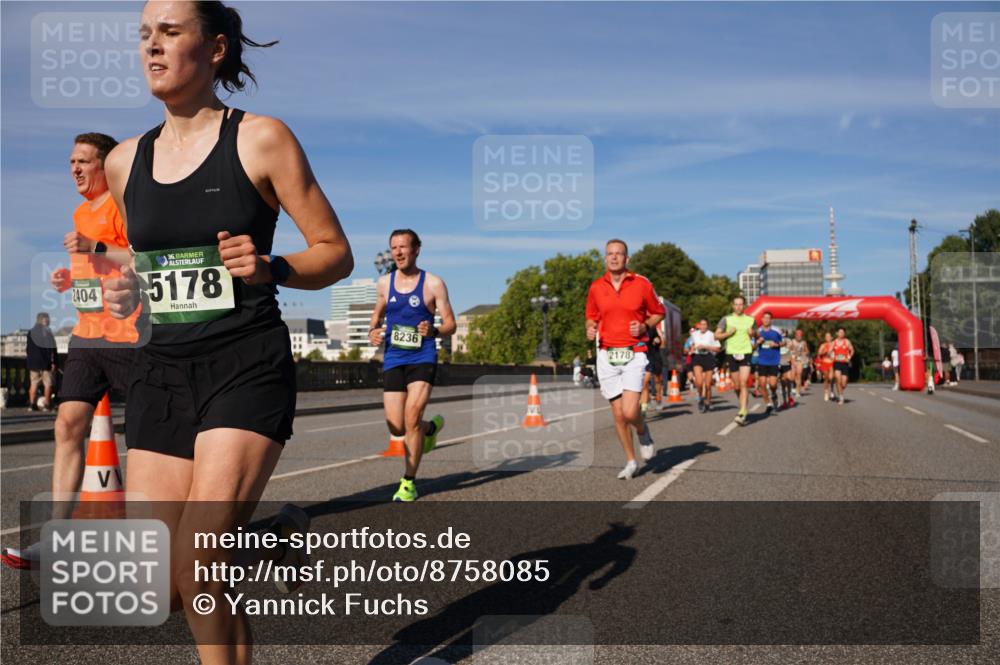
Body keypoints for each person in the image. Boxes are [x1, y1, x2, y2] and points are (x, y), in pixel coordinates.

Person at [101, 3, 354, 662]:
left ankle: (231, 544)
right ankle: (267, 538)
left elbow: (334, 251)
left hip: (244, 364)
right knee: (160, 581)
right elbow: (149, 260)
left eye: (170, 33)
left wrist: (273, 267)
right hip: (161, 371)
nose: (152, 47)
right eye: (144, 35)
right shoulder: (125, 162)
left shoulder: (261, 139)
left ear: (214, 50)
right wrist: (129, 286)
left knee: (200, 570)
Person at [1, 134, 142, 571]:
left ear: (107, 165)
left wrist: (94, 249)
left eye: (84, 161)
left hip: (132, 338)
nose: (75, 169)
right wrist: (72, 275)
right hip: (86, 337)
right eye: (71, 162)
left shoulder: (124, 204)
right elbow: (94, 270)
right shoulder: (81, 211)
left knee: (144, 441)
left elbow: (142, 258)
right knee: (68, 424)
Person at [368, 229, 455, 502]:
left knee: (411, 417)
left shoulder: (433, 283)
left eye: (403, 247)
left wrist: (435, 331)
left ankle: (408, 482)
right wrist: (373, 330)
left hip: (422, 357)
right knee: (397, 426)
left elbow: (450, 324)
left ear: (416, 249)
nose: (398, 252)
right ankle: (430, 429)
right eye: (394, 247)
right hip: (394, 356)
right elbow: (376, 316)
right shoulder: (384, 283)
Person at [585, 239, 665, 479]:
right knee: (618, 414)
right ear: (605, 258)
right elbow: (591, 316)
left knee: (630, 412)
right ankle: (631, 461)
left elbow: (658, 312)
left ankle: (642, 430)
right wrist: (590, 328)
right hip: (606, 354)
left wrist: (644, 326)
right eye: (610, 254)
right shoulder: (596, 287)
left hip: (634, 351)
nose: (614, 257)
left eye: (618, 254)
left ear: (626, 259)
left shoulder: (641, 283)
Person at [716, 295, 756, 425]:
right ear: (732, 306)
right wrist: (728, 333)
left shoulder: (751, 320)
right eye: (736, 304)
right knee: (737, 385)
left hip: (746, 352)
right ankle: (742, 406)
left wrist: (753, 334)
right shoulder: (726, 319)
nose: (738, 307)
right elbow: (717, 335)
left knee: (744, 383)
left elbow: (757, 335)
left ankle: (743, 411)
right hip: (731, 353)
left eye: (741, 304)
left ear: (744, 306)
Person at [25, 313, 57, 411]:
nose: (49, 321)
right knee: (48, 384)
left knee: (34, 383)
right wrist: (53, 362)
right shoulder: (47, 332)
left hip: (33, 363)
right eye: (47, 320)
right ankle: (47, 404)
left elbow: (28, 349)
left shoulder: (31, 332)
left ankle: (31, 404)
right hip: (45, 363)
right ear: (43, 320)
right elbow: (51, 349)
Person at [688, 318, 720, 413]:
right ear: (699, 325)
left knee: (708, 384)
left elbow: (718, 349)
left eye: (705, 324)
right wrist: (692, 349)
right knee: (699, 382)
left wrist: (706, 347)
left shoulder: (711, 334)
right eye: (701, 324)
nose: (703, 326)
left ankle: (708, 401)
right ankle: (701, 398)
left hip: (708, 357)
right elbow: (692, 344)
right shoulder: (694, 334)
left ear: (707, 326)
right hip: (697, 357)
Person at [755, 312, 783, 414]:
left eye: (768, 318)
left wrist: (776, 344)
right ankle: (768, 404)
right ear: (761, 319)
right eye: (764, 318)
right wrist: (757, 343)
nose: (766, 320)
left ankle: (774, 394)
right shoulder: (757, 331)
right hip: (762, 360)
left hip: (774, 360)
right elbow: (753, 345)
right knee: (762, 384)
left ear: (771, 320)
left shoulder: (777, 330)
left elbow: (784, 342)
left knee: (773, 384)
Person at [640, 329, 664, 414]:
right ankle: (647, 400)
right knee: (645, 382)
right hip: (642, 357)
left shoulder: (650, 328)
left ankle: (658, 398)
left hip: (654, 355)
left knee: (657, 379)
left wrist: (657, 340)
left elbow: (659, 340)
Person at [831, 328, 855, 405]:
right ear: (837, 333)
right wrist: (832, 356)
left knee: (843, 383)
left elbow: (852, 350)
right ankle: (841, 397)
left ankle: (840, 390)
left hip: (845, 363)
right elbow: (829, 352)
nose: (842, 333)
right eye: (840, 332)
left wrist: (849, 357)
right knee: (838, 379)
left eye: (843, 332)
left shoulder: (847, 341)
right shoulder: (833, 342)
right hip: (837, 363)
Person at [788, 329, 810, 397]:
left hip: (800, 360)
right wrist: (792, 354)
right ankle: (794, 386)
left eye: (800, 335)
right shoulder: (792, 342)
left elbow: (807, 351)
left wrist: (803, 353)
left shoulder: (804, 343)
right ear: (795, 335)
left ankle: (798, 391)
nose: (799, 336)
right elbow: (788, 350)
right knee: (792, 376)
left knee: (799, 375)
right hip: (793, 360)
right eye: (798, 335)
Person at [817, 332, 836, 401]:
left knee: (831, 377)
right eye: (826, 337)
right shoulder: (823, 345)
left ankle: (832, 390)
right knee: (826, 378)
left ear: (831, 337)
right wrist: (824, 352)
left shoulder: (834, 344)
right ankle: (826, 392)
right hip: (824, 363)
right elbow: (819, 353)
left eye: (828, 336)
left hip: (832, 362)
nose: (827, 338)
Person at [778, 329, 794, 408]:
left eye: (784, 333)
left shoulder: (789, 341)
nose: (783, 334)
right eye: (781, 333)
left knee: (789, 379)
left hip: (787, 362)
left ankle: (789, 397)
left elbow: (791, 349)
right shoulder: (776, 340)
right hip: (780, 364)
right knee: (783, 382)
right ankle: (784, 401)